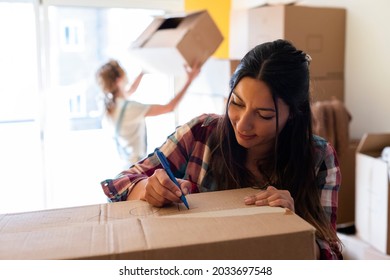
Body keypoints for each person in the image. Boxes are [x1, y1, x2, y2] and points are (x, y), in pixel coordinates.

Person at [101, 39, 343, 260]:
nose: (242, 123)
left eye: (264, 114)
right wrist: (149, 189)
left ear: (292, 115)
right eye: (236, 103)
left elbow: (330, 256)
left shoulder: (319, 158)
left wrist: (293, 229)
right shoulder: (200, 133)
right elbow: (120, 184)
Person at [96, 59, 201, 165]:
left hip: (126, 162)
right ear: (118, 81)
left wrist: (142, 73)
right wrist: (189, 80)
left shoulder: (110, 105)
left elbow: (130, 91)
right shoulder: (130, 108)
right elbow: (169, 107)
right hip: (136, 164)